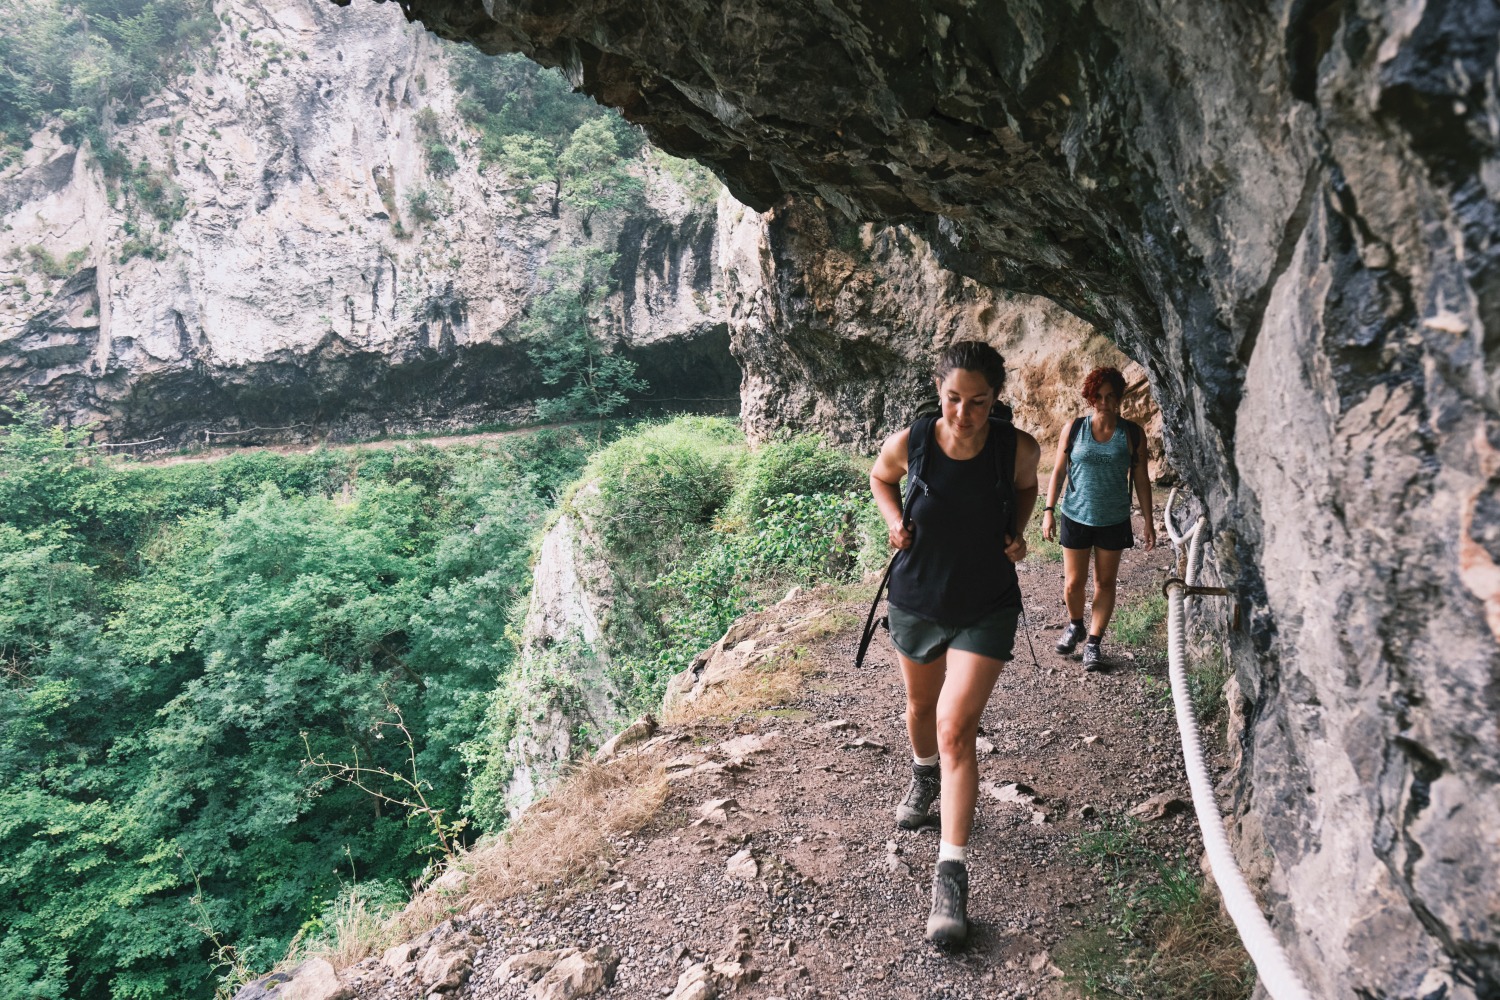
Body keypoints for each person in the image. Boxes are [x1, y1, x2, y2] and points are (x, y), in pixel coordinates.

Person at [868, 341, 1040, 948]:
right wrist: (893, 521)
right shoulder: (912, 441)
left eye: (977, 402)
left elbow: (1025, 489)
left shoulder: (1014, 448)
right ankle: (922, 779)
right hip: (916, 600)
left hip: (986, 606)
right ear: (938, 393)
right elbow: (881, 478)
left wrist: (1016, 533)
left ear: (995, 401)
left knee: (954, 728)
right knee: (919, 711)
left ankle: (951, 875)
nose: (963, 414)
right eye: (953, 399)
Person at [1040, 366, 1155, 670]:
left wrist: (1148, 521)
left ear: (1119, 398)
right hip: (1076, 515)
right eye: (1098, 396)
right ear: (1090, 397)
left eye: (1110, 396)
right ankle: (1076, 624)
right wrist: (1048, 511)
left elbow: (1141, 480)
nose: (1104, 402)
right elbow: (1059, 472)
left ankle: (1093, 643)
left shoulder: (1131, 433)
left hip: (1114, 519)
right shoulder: (1075, 428)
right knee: (1073, 584)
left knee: (1105, 583)